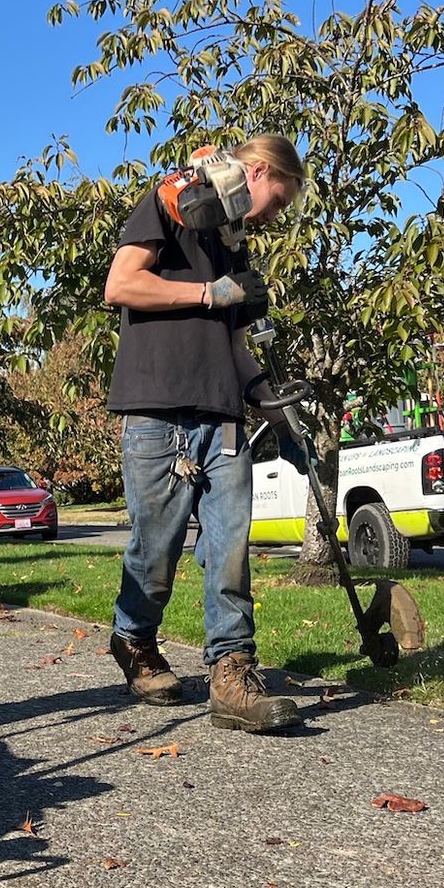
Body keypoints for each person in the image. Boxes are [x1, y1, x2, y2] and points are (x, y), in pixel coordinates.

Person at [100, 135, 308, 733]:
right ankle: (134, 639)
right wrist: (207, 292)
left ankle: (233, 673)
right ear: (260, 171)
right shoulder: (170, 204)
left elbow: (233, 347)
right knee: (156, 549)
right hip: (157, 405)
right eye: (278, 200)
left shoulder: (232, 245)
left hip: (221, 415)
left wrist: (273, 406)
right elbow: (123, 285)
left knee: (229, 547)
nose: (274, 216)